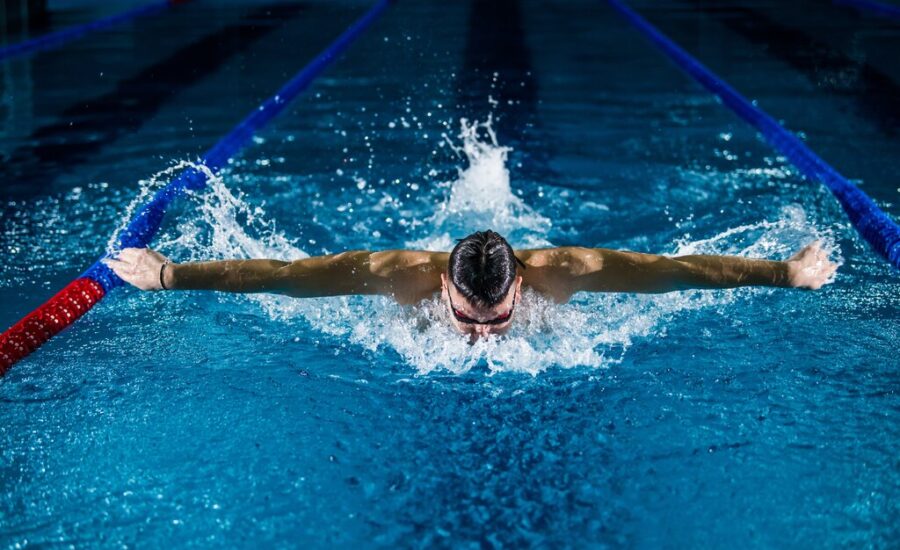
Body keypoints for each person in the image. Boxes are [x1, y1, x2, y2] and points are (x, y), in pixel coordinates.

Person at [103, 230, 837, 340]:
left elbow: (677, 274)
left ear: (522, 281)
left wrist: (786, 273)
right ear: (444, 288)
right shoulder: (398, 277)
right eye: (466, 316)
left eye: (495, 318)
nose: (481, 335)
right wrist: (169, 274)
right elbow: (287, 279)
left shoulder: (568, 271)